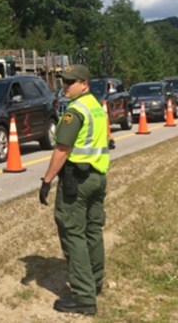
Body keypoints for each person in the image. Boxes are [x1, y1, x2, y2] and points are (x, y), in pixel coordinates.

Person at [38, 64, 109, 316]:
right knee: (92, 230)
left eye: (70, 82)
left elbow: (62, 150)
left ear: (84, 84)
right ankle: (95, 282)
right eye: (63, 81)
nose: (65, 86)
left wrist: (47, 180)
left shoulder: (75, 111)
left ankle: (83, 296)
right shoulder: (96, 108)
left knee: (72, 233)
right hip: (97, 177)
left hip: (76, 180)